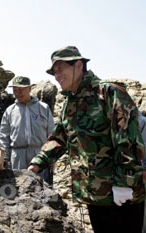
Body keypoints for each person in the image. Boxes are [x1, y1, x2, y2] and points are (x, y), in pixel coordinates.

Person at [28, 46, 145, 233]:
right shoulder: (70, 102)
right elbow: (59, 138)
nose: (57, 75)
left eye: (61, 69)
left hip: (121, 194)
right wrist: (37, 164)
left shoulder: (109, 93)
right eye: (54, 72)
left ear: (79, 65)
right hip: (94, 194)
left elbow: (128, 141)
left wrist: (125, 184)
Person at [0, 76, 55, 185]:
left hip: (39, 154)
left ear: (29, 89)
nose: (17, 93)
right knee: (19, 188)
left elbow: (52, 134)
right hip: (17, 156)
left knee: (43, 187)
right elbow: (4, 135)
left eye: (21, 89)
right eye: (15, 90)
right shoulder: (10, 111)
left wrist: (51, 156)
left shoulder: (43, 108)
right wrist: (5, 157)